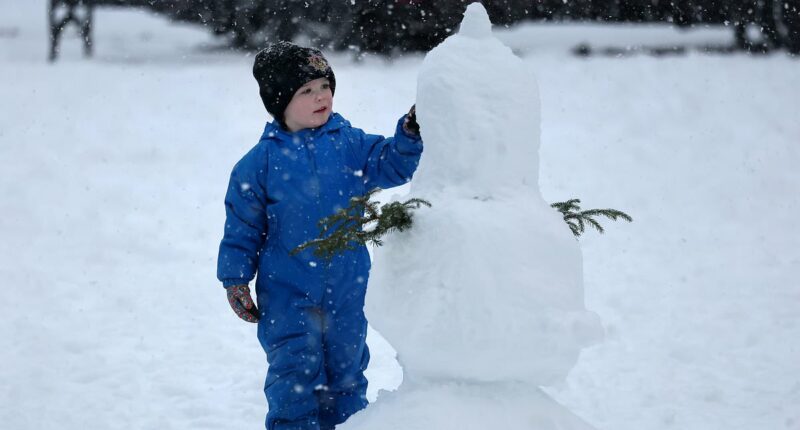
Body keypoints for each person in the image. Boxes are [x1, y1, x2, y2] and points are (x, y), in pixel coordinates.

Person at [216, 41, 422, 430]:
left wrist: (410, 134)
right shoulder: (258, 164)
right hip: (287, 293)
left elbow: (392, 164)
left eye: (325, 85)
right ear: (280, 103)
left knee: (347, 376)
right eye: (306, 91)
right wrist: (235, 279)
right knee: (293, 378)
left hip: (348, 288)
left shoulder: (351, 144)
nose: (321, 96)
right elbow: (242, 227)